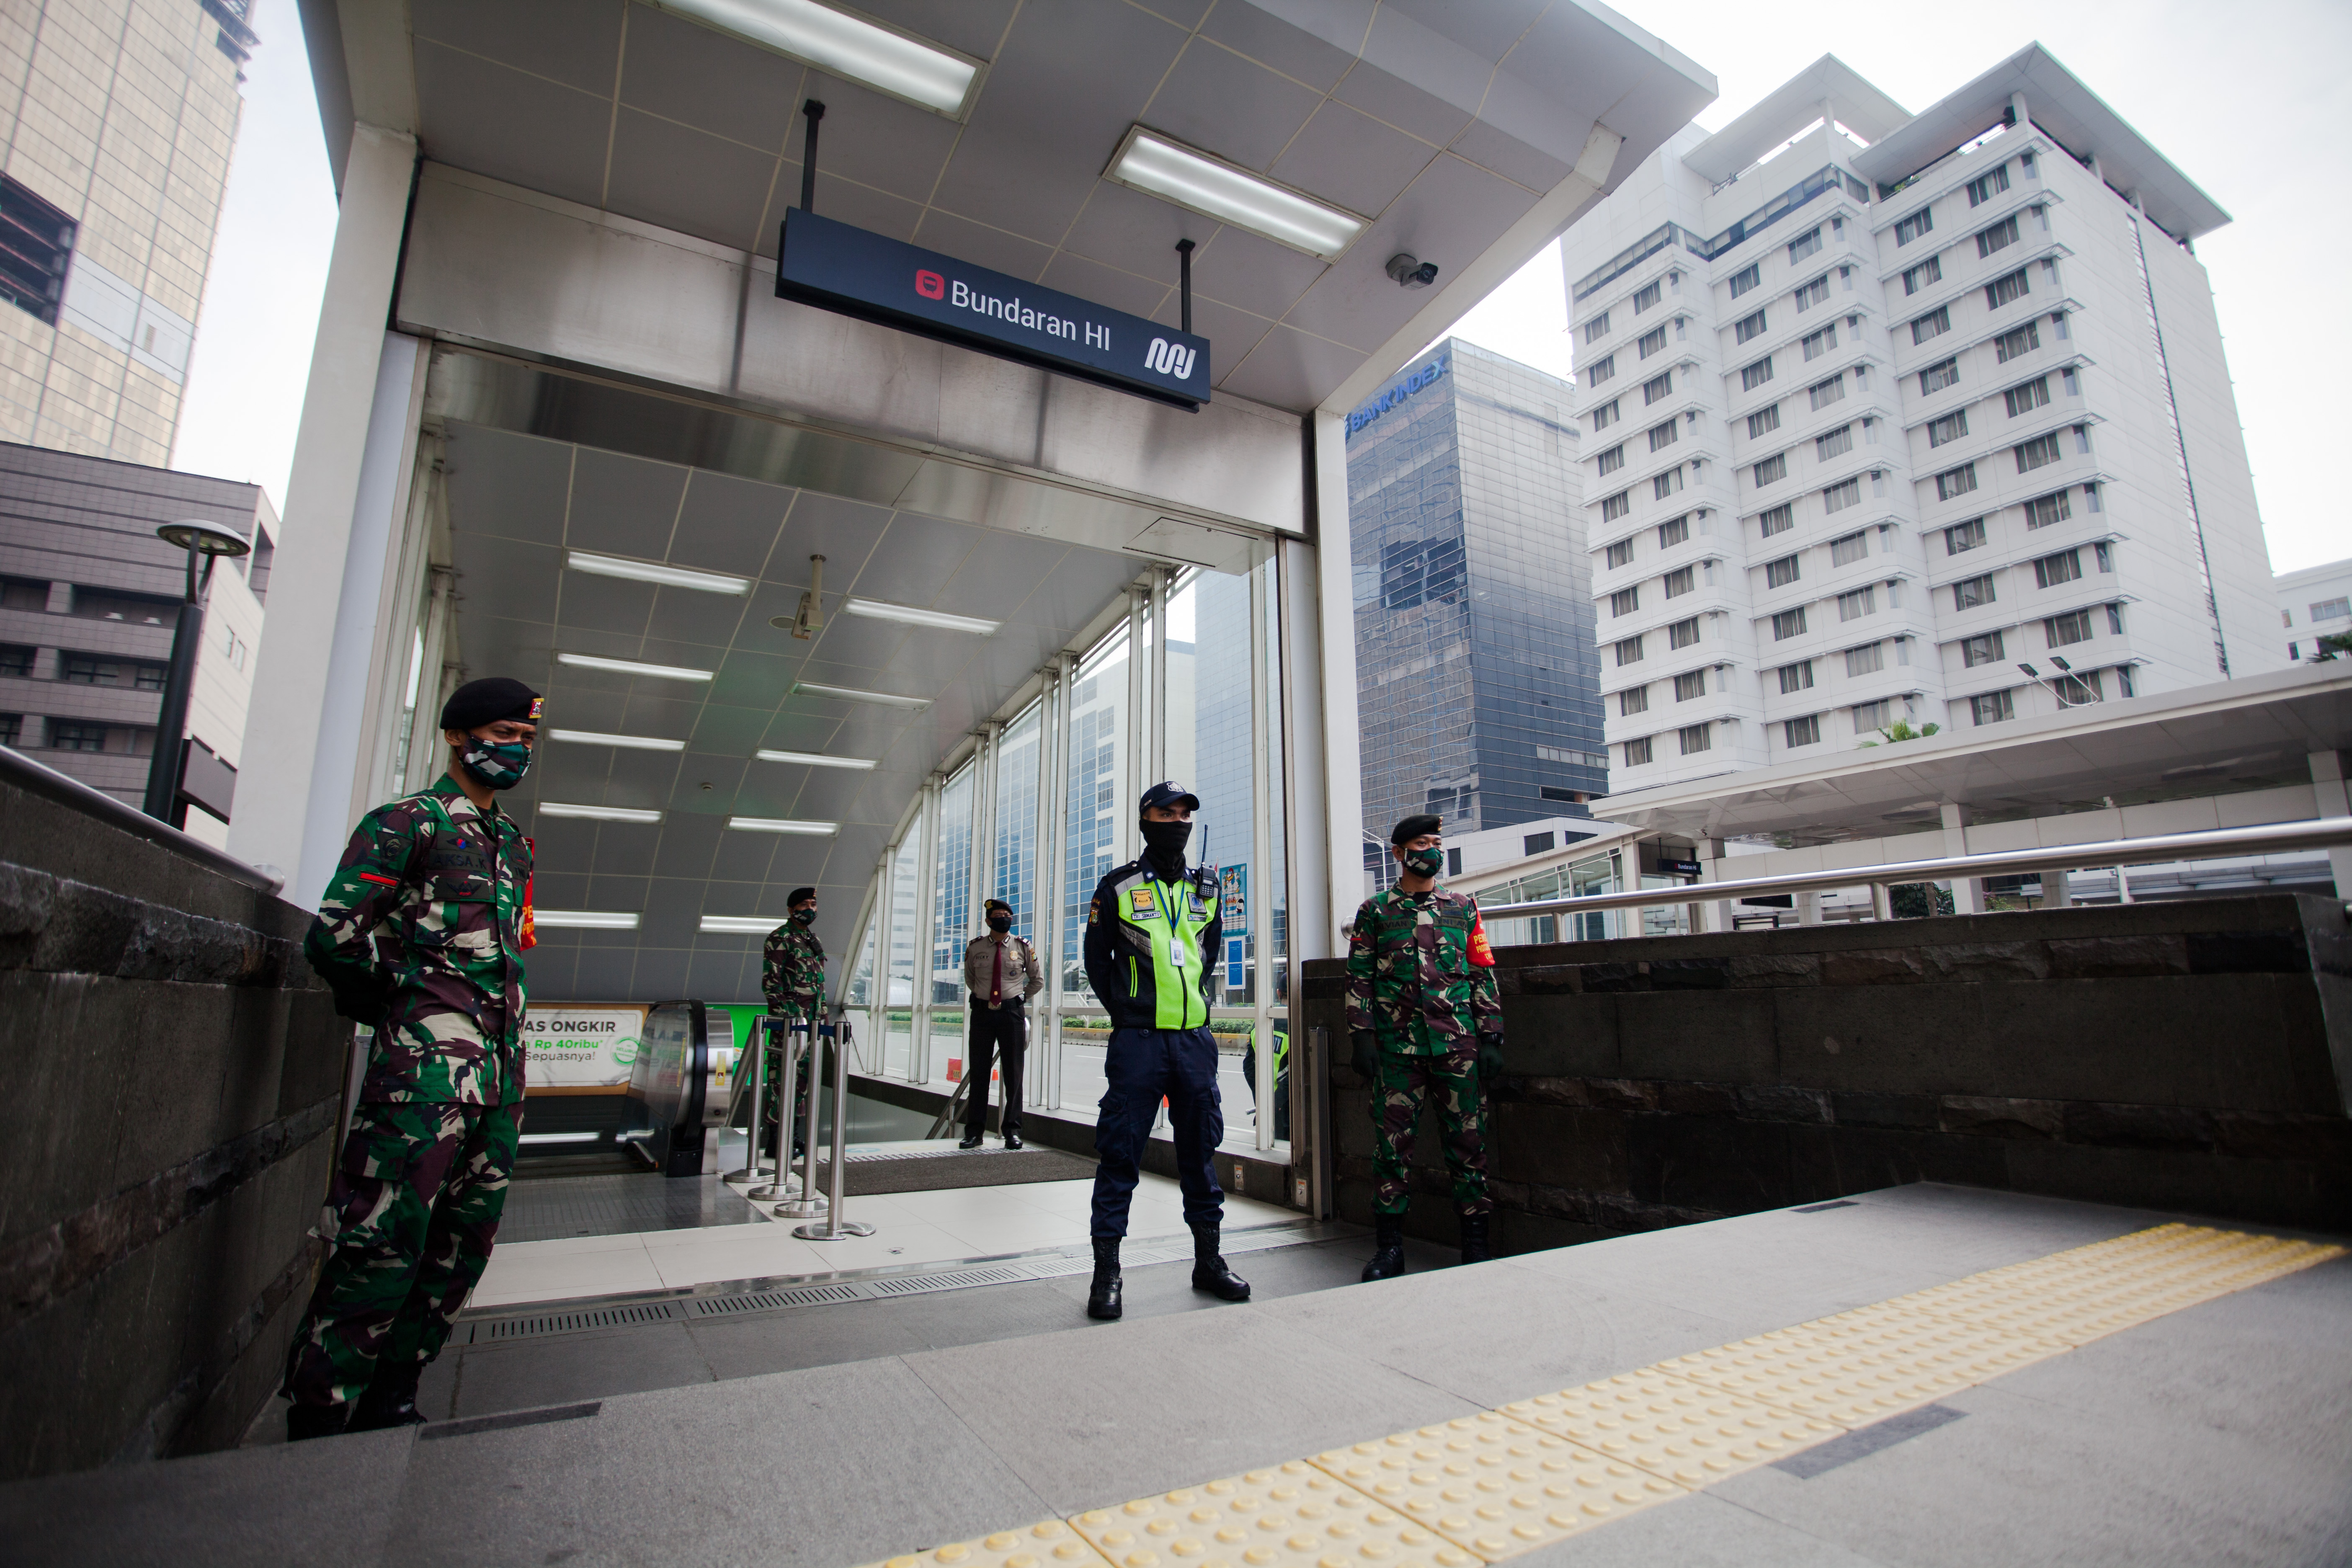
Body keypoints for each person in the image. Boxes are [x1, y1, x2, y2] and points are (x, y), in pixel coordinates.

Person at [280, 676, 541, 1439]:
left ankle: (395, 1392)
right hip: (419, 1082)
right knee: (379, 1242)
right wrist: (404, 1005)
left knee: (464, 1242)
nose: (517, 749)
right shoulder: (407, 822)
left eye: (526, 738)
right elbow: (334, 934)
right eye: (504, 733)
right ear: (460, 737)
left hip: (496, 1080)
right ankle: (321, 1411)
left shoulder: (512, 845)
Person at [1080, 781, 1251, 1320]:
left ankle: (1209, 1263)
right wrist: (1131, 1012)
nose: (1177, 822)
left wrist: (1191, 1009)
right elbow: (1096, 961)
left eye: (1184, 814)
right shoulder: (1118, 887)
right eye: (1165, 813)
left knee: (1200, 1154)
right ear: (1145, 820)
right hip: (1140, 1043)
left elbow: (1211, 950)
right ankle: (1107, 1275)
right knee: (1120, 1156)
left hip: (1195, 1043)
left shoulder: (1208, 887)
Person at [1346, 813, 1504, 1281]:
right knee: (1392, 1152)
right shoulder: (1375, 912)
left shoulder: (1463, 907)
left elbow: (1482, 972)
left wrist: (1492, 1035)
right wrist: (1362, 1037)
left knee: (1469, 1146)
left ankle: (1476, 1246)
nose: (1432, 849)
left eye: (1436, 841)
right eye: (1421, 842)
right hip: (1398, 1051)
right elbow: (1360, 978)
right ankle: (1389, 1251)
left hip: (1458, 1047)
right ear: (1398, 853)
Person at [960, 898, 1042, 1149]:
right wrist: (988, 998)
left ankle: (1013, 1131)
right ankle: (974, 1132)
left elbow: (1037, 980)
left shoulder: (1023, 947)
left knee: (1014, 1074)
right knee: (980, 1072)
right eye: (998, 915)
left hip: (1012, 1016)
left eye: (1007, 915)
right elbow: (971, 979)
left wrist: (1017, 998)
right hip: (983, 1016)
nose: (1004, 918)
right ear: (988, 921)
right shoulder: (975, 948)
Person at [761, 887, 825, 1158]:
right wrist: (789, 1015)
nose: (810, 909)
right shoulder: (781, 938)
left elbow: (819, 985)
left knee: (803, 1082)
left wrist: (822, 1018)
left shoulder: (812, 939)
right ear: (791, 910)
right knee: (782, 1081)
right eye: (804, 905)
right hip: (789, 1025)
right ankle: (777, 1140)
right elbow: (771, 984)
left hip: (811, 1024)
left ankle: (794, 1136)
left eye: (813, 903)